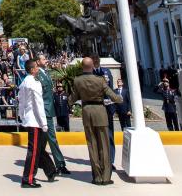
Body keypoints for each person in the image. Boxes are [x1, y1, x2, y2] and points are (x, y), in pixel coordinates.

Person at [69, 57, 123, 186]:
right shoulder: (100, 80)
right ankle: (105, 176)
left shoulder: (77, 80)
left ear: (82, 67)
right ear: (93, 66)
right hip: (100, 111)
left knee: (92, 144)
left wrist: (69, 102)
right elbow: (113, 96)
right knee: (104, 144)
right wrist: (120, 97)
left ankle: (97, 176)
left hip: (87, 111)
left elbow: (72, 98)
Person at [17, 59, 57, 188]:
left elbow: (21, 101)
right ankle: (28, 178)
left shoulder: (24, 82)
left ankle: (50, 171)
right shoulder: (34, 83)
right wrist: (44, 123)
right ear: (32, 69)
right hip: (35, 120)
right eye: (36, 67)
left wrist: (22, 115)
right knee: (33, 151)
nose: (38, 69)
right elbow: (38, 105)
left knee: (38, 148)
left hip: (30, 119)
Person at [37, 54, 70, 175]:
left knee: (44, 141)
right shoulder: (38, 76)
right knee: (51, 138)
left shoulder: (45, 73)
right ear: (38, 61)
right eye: (43, 59)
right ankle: (60, 164)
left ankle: (40, 162)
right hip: (44, 111)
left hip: (49, 109)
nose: (46, 60)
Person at [92, 55, 116, 170]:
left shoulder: (106, 71)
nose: (96, 62)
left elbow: (109, 88)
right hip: (96, 107)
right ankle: (100, 160)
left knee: (109, 134)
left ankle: (110, 161)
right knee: (97, 135)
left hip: (107, 107)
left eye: (97, 60)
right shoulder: (89, 73)